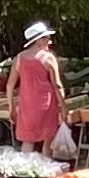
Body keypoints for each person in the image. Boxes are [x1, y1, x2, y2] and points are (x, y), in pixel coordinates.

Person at [6, 21, 67, 157]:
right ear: (38, 40)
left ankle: (26, 168)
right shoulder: (48, 58)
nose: (49, 41)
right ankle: (46, 167)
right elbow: (57, 85)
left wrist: (11, 107)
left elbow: (10, 85)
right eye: (46, 38)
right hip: (46, 105)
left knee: (27, 141)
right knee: (47, 142)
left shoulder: (19, 59)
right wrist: (63, 107)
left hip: (26, 105)